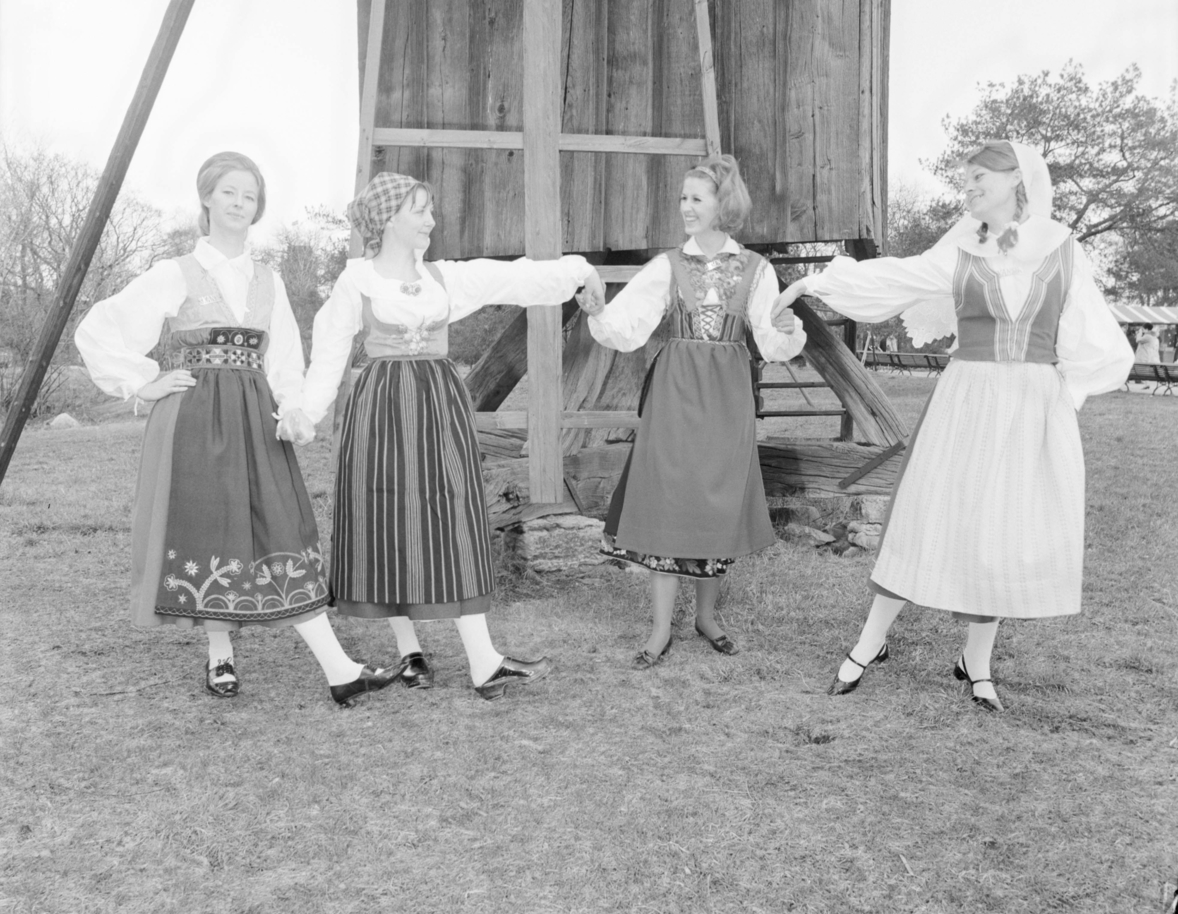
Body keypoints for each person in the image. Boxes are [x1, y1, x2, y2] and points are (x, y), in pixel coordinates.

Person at [773, 139, 1133, 711]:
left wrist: (1062, 397)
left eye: (978, 178)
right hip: (966, 399)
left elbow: (1096, 339)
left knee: (1000, 527)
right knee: (926, 513)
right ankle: (870, 642)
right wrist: (809, 285)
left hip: (1030, 405)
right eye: (965, 180)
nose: (968, 189)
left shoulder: (1062, 248)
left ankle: (976, 661)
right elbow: (896, 278)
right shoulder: (963, 251)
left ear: (1016, 178)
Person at [75, 152, 399, 706]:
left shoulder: (268, 280)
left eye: (250, 196)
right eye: (229, 192)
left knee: (280, 529)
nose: (239, 203)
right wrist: (142, 381)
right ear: (207, 197)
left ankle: (340, 669)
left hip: (255, 415)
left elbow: (286, 358)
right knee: (208, 529)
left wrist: (293, 408)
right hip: (194, 418)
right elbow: (99, 327)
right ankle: (221, 655)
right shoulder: (174, 272)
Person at [282, 172, 605, 700]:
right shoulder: (356, 281)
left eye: (430, 210)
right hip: (382, 408)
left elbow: (513, 278)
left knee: (454, 514)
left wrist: (580, 271)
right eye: (420, 210)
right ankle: (409, 650)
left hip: (438, 405)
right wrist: (305, 413)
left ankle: (484, 662)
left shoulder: (443, 277)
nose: (431, 220)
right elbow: (329, 355)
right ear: (389, 218)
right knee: (387, 517)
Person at [577, 154, 806, 666]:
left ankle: (706, 616)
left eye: (696, 198)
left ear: (723, 205)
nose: (685, 206)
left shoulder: (756, 269)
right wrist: (600, 313)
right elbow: (628, 326)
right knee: (670, 498)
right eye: (683, 197)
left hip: (727, 397)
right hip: (675, 394)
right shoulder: (668, 266)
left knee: (715, 499)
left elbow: (770, 340)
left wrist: (788, 331)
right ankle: (660, 628)